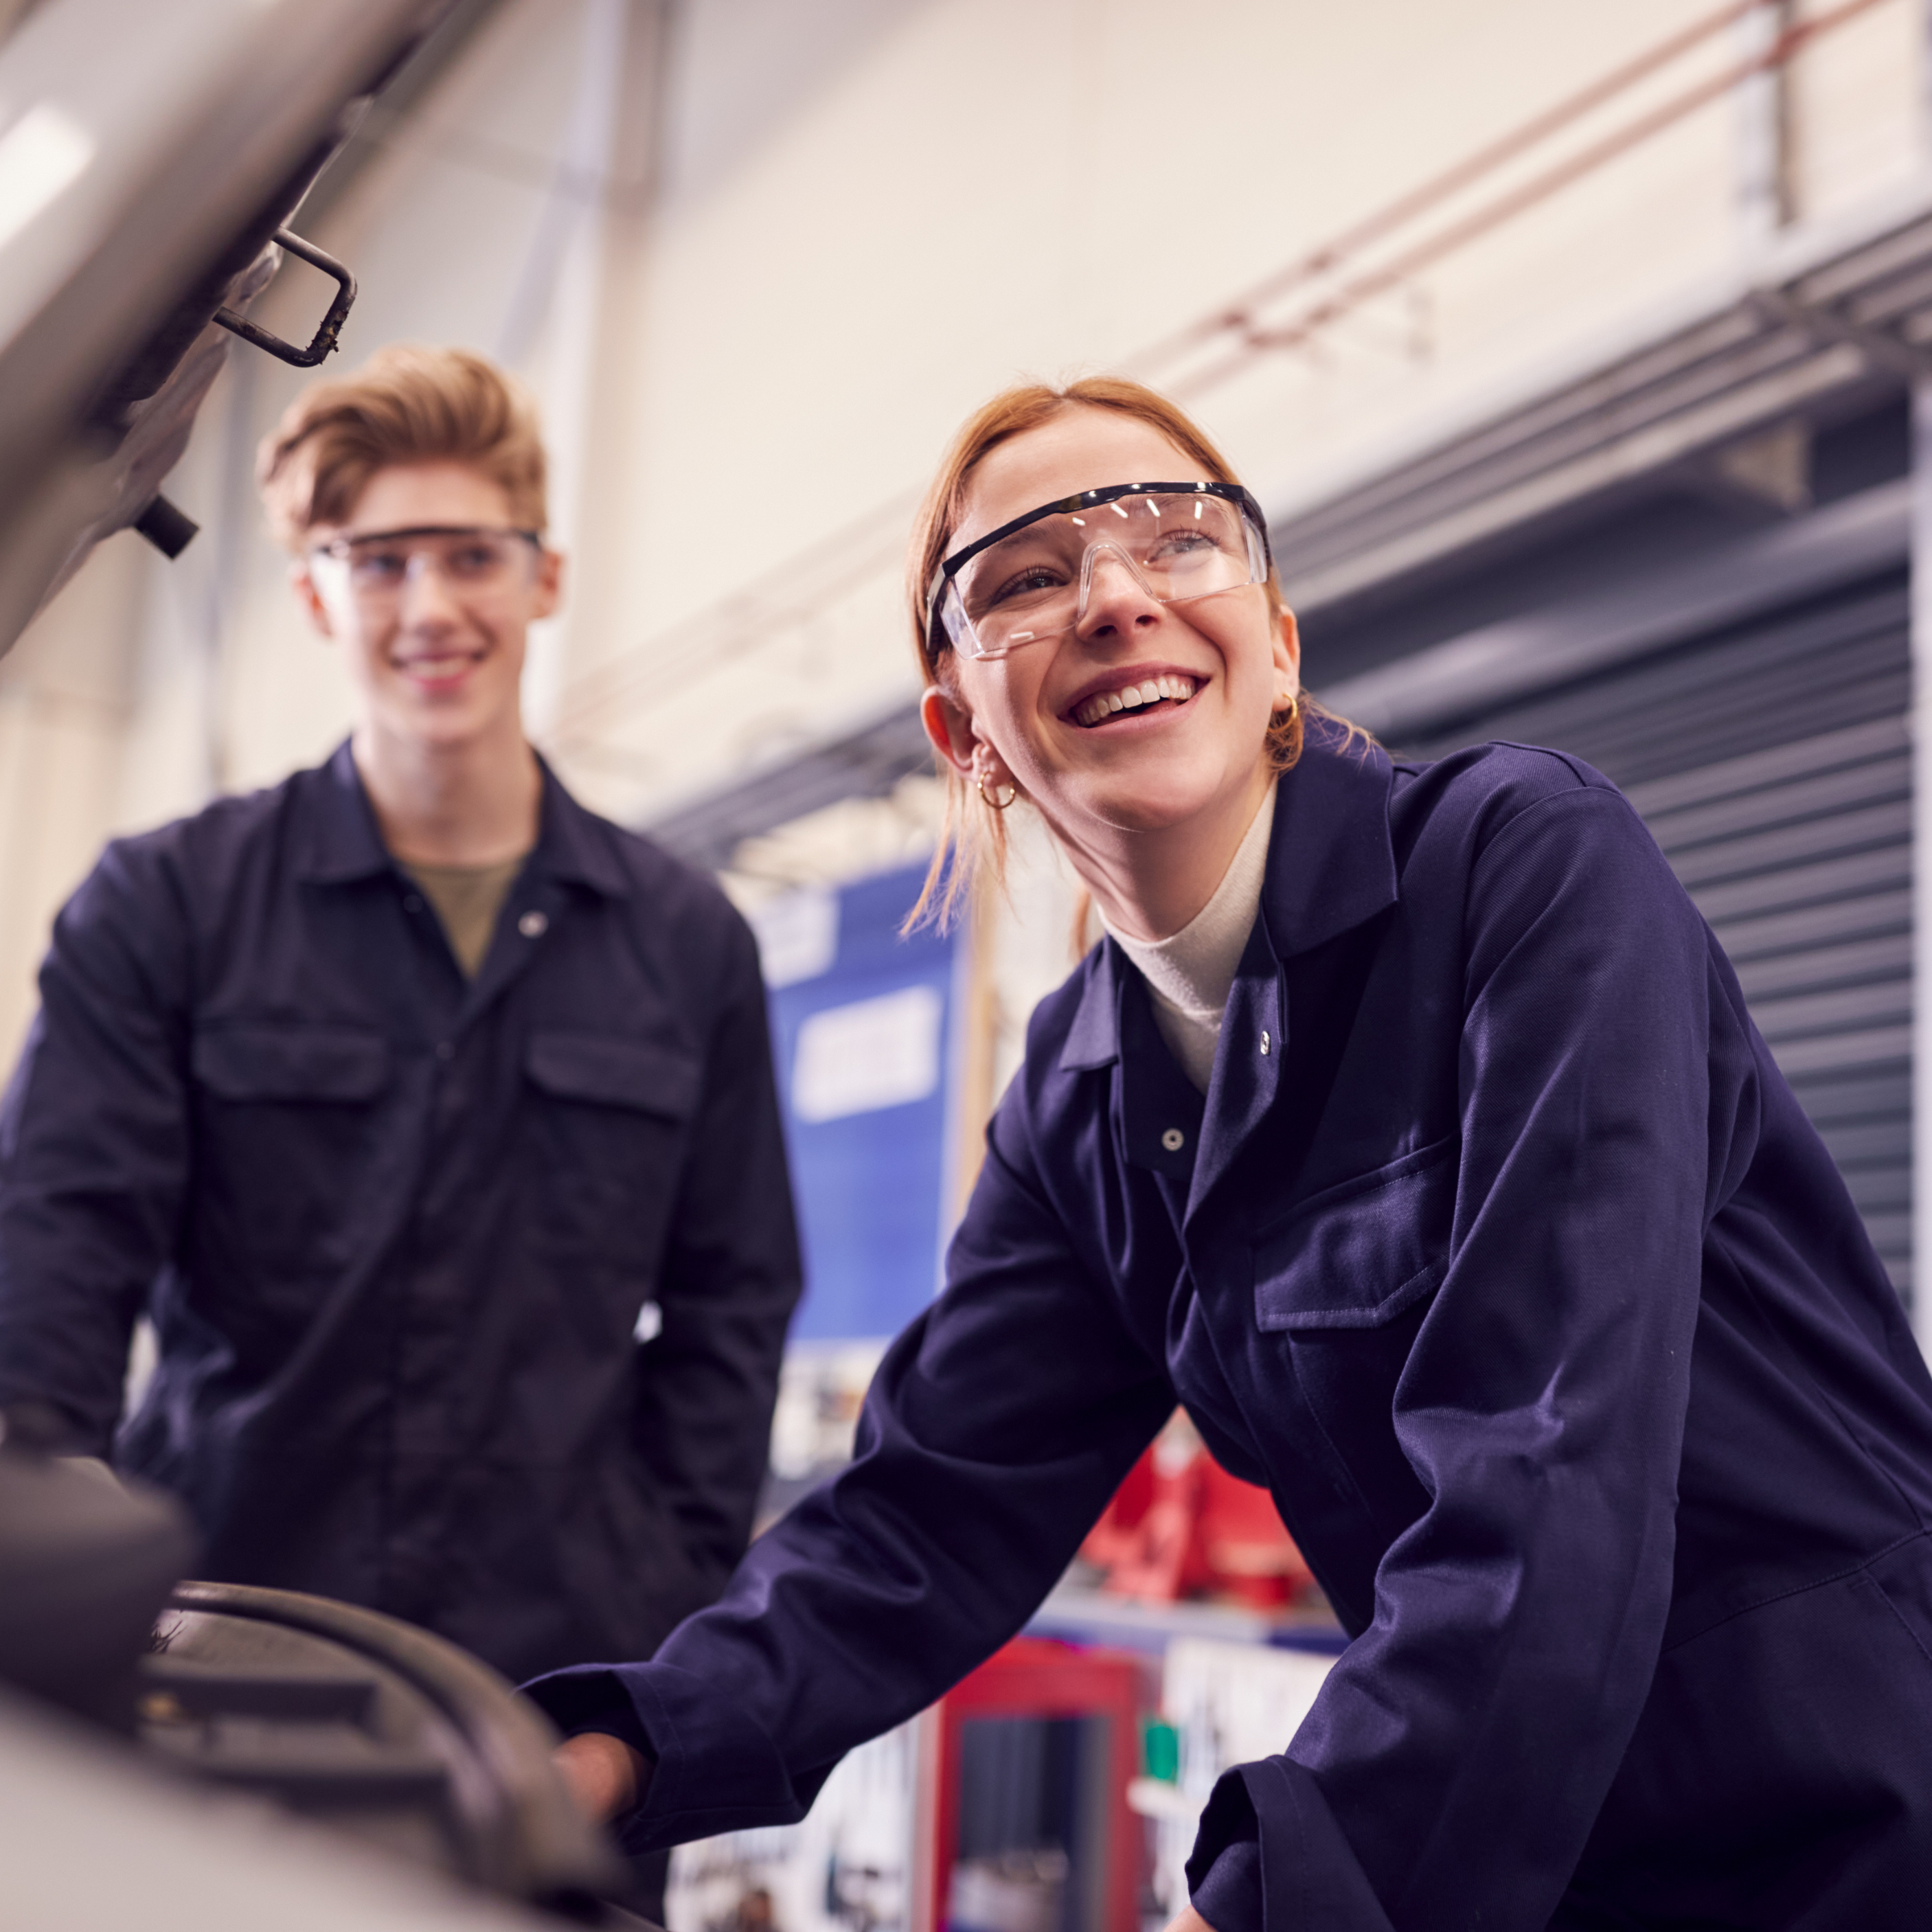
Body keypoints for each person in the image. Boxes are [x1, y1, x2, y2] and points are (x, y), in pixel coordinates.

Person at [528, 374, 1932, 1931]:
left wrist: (1265, 1900)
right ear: (961, 728)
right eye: (1026, 578)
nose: (1117, 596)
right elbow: (923, 1516)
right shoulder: (1078, 1091)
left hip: (1846, 1807)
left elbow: (1550, 1455)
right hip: (1530, 1854)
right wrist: (606, 1747)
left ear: (1274, 637)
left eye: (1177, 540)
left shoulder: (1518, 868)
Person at [0, 342, 801, 1696]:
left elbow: (733, 1302)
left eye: (470, 555)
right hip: (208, 1653)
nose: (429, 604)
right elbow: (56, 1251)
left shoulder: (684, 941)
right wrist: (57, 1558)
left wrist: (661, 1582)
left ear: (543, 574)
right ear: (317, 594)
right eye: (376, 561)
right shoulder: (166, 907)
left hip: (559, 1684)